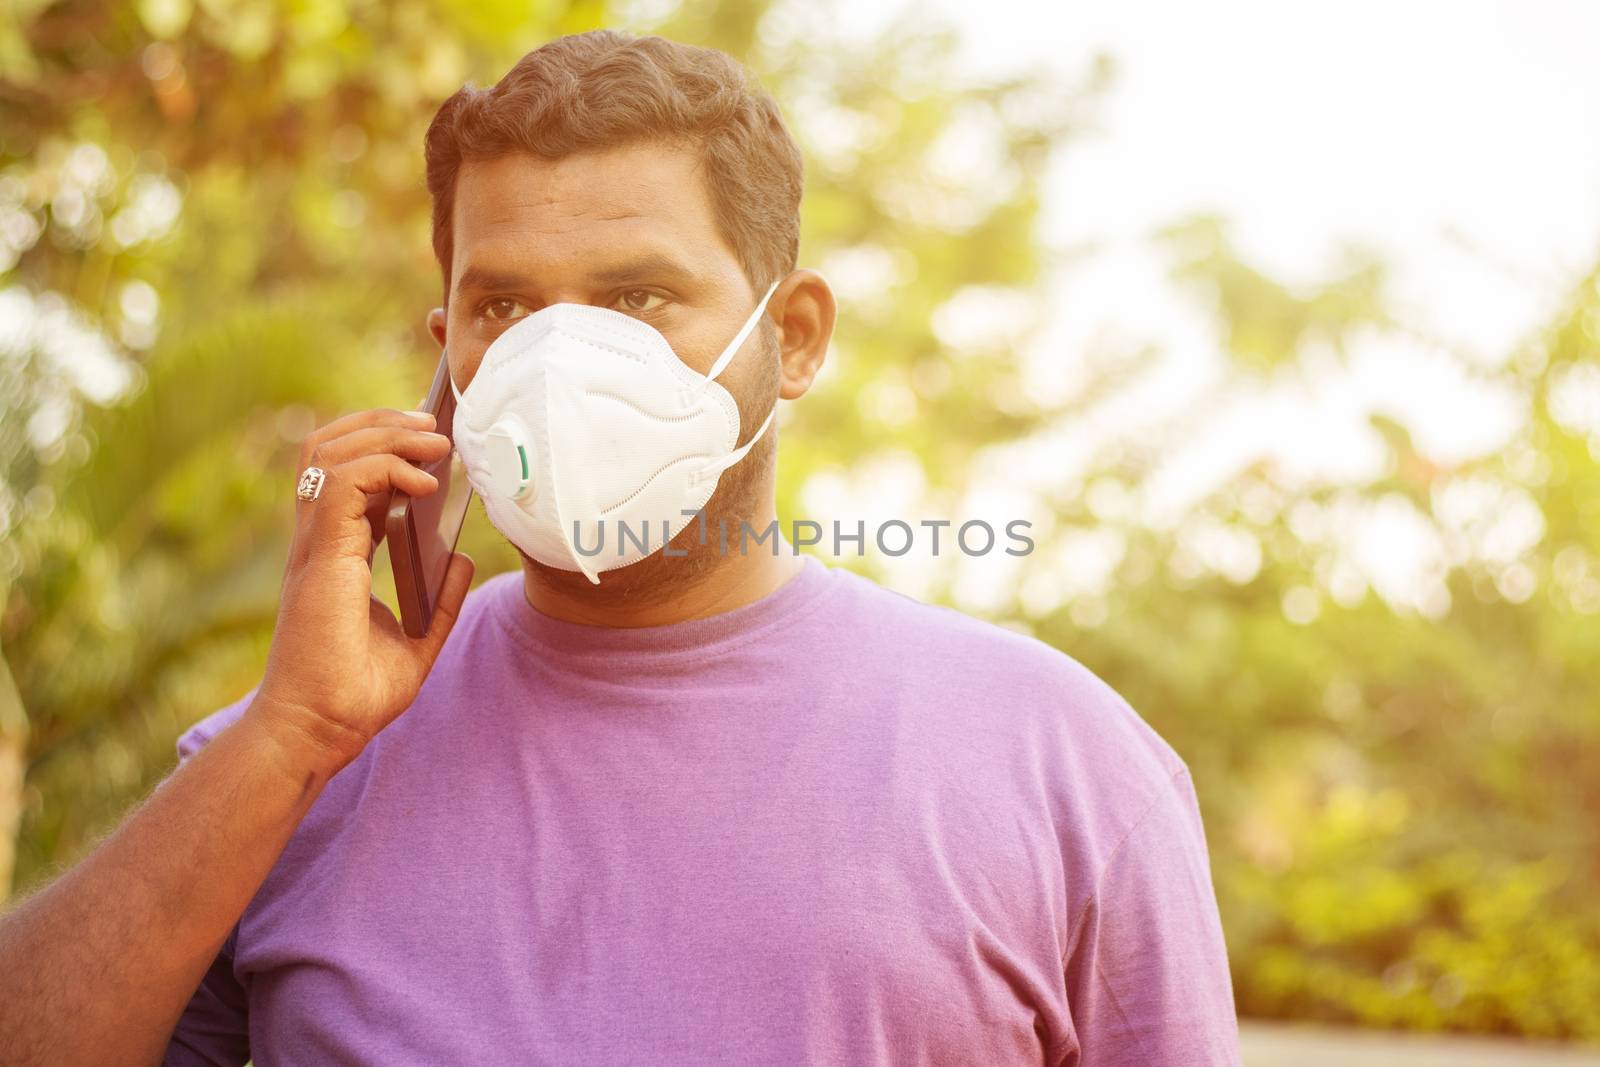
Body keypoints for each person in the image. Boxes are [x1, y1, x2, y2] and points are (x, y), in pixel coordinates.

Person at [0, 29, 1241, 1067]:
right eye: (504, 306)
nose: (559, 356)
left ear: (793, 337)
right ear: (445, 352)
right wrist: (289, 736)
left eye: (638, 296)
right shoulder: (282, 767)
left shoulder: (1065, 764)